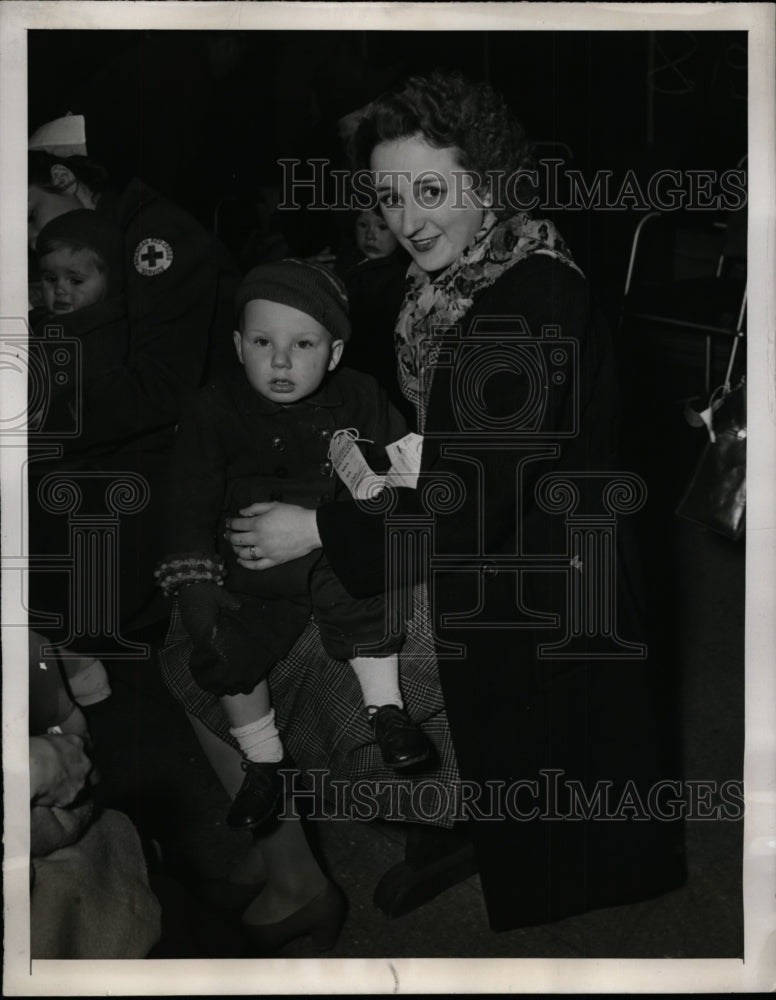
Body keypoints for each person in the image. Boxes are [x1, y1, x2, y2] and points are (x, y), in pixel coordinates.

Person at [221, 71, 687, 933]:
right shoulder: (458, 279)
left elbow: (465, 502)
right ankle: (458, 815)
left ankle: (445, 825)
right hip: (516, 533)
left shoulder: (526, 299)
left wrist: (317, 527)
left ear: (491, 182)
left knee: (267, 649)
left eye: (431, 190)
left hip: (546, 575)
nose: (408, 218)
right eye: (391, 196)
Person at [155, 259, 432, 835]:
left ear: (332, 354)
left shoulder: (358, 394)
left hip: (330, 538)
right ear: (237, 345)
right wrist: (195, 578)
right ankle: (263, 761)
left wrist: (405, 473)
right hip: (252, 560)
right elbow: (189, 499)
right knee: (221, 641)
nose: (280, 361)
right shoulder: (214, 407)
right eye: (262, 342)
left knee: (368, 587)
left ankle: (387, 711)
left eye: (303, 344)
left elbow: (404, 459)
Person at [27, 125, 240, 646]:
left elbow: (163, 386)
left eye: (30, 216)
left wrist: (35, 426)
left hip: (191, 440)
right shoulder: (110, 232)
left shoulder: (154, 236)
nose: (32, 241)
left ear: (63, 178)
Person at [337, 209, 414, 423]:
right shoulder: (351, 264)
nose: (371, 235)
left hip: (379, 380)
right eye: (363, 225)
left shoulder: (398, 278)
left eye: (382, 227)